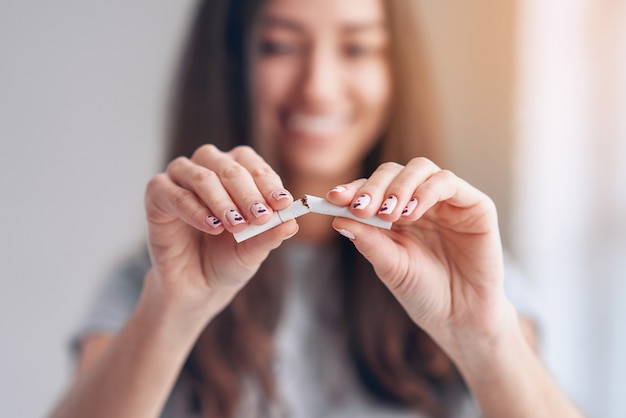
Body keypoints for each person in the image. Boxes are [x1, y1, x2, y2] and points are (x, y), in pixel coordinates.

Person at [50, 0, 583, 417]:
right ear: (231, 61)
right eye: (280, 46)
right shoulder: (150, 286)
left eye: (356, 48)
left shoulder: (470, 274)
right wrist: (172, 312)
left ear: (394, 69)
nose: (320, 88)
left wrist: (482, 338)